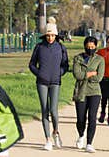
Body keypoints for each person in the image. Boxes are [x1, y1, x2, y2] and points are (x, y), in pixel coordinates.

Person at [29, 17, 69, 151]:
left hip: (55, 82)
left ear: (56, 35)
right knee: (45, 110)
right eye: (48, 35)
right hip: (42, 82)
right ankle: (47, 140)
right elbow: (31, 64)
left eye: (52, 35)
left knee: (53, 110)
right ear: (45, 35)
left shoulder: (61, 48)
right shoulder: (39, 47)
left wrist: (60, 73)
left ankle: (55, 132)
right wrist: (39, 73)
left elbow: (65, 65)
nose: (50, 37)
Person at [72, 36, 105, 153]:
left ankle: (89, 143)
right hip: (80, 91)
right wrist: (90, 73)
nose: (90, 48)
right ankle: (81, 135)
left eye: (92, 47)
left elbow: (99, 77)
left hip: (95, 92)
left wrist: (85, 75)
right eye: (88, 46)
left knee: (92, 117)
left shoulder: (100, 60)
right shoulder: (78, 58)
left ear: (96, 47)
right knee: (81, 118)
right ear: (85, 46)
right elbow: (77, 75)